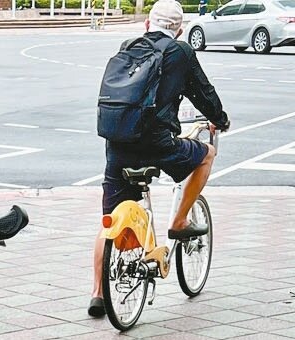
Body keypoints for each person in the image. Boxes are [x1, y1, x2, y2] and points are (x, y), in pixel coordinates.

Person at [89, 0, 230, 318]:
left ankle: (97, 293)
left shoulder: (129, 47)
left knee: (108, 220)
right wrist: (219, 119)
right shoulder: (180, 52)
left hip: (117, 143)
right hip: (158, 143)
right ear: (179, 30)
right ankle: (179, 221)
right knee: (206, 155)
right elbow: (202, 93)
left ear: (147, 25)